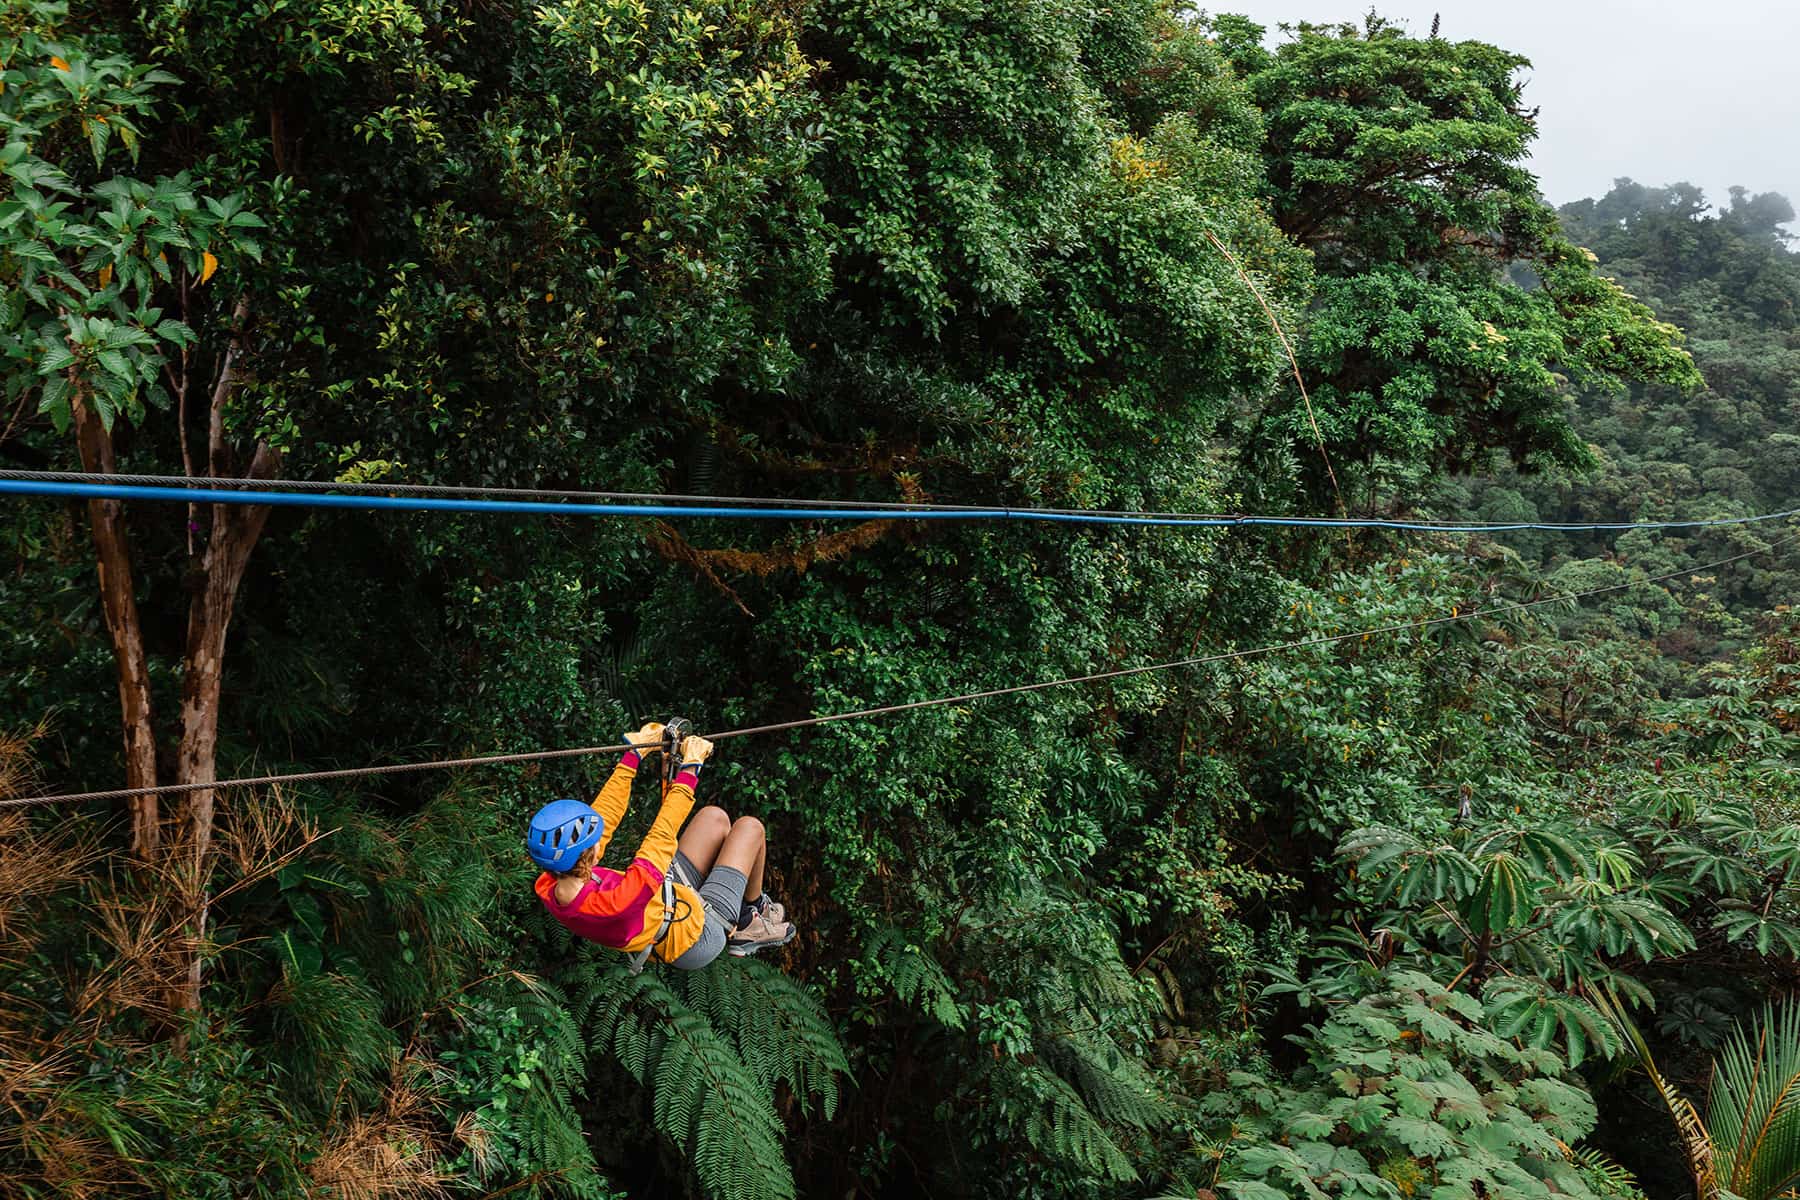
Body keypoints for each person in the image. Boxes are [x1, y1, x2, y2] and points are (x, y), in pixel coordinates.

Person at [527, 722, 795, 967]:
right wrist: (690, 770)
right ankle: (751, 919)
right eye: (595, 841)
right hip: (695, 935)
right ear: (588, 856)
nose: (601, 839)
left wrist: (634, 753)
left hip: (664, 900)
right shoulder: (616, 902)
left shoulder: (555, 880)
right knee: (750, 828)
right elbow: (661, 836)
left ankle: (748, 911)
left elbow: (604, 815)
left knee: (714, 818)